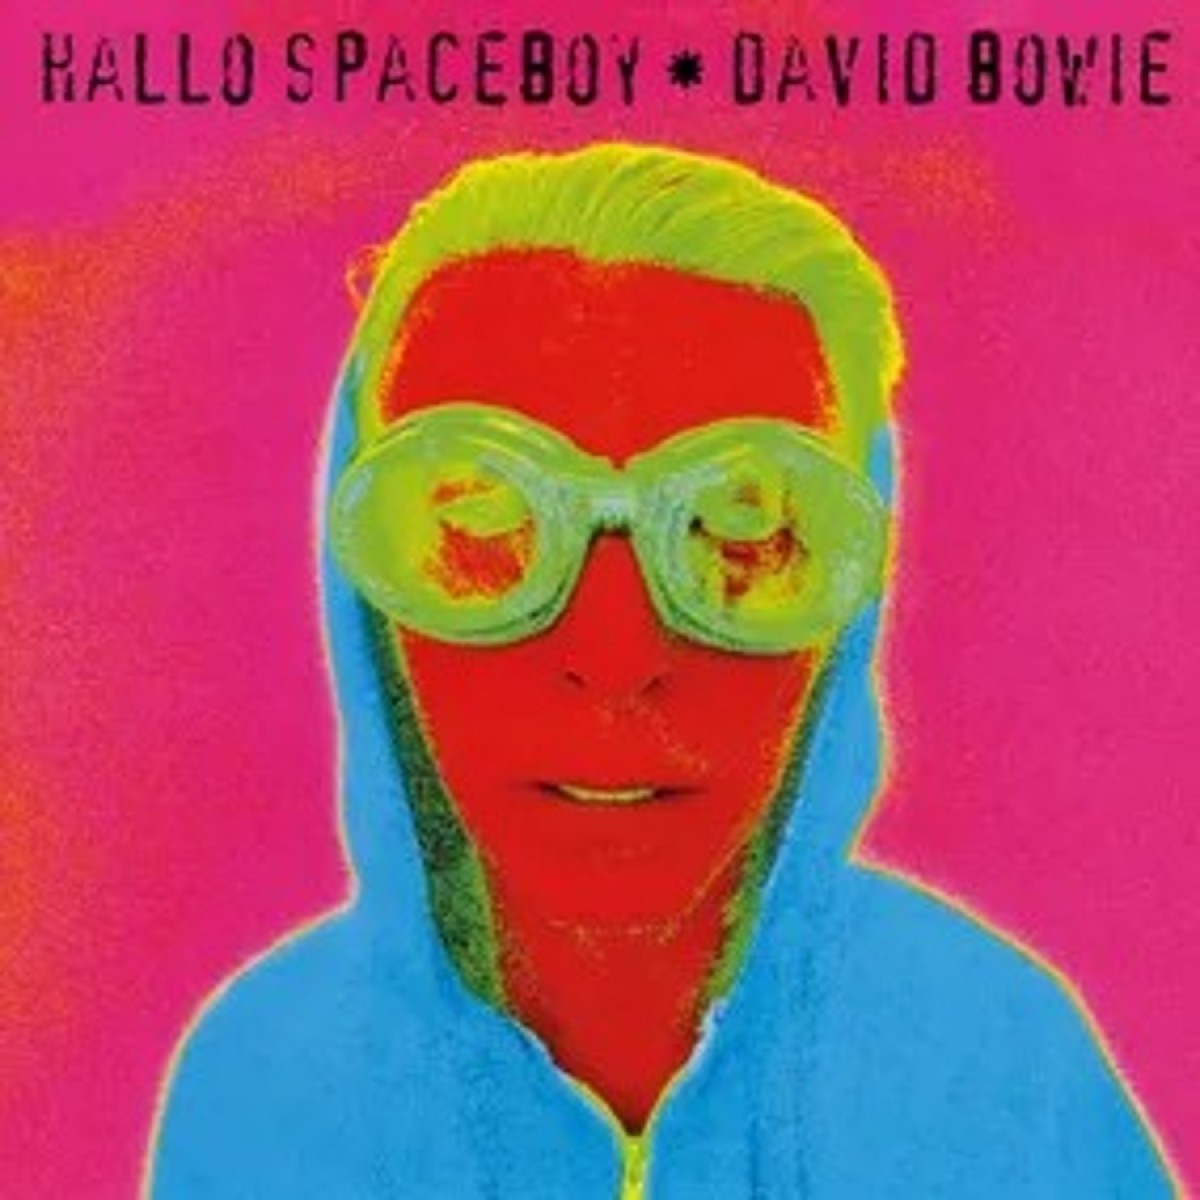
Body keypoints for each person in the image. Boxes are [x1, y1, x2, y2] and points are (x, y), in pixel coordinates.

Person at [147, 143, 1174, 1197]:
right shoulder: (271, 1084)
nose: (615, 657)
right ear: (365, 588)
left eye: (743, 526)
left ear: (851, 593)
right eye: (484, 520)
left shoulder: (1001, 1070)